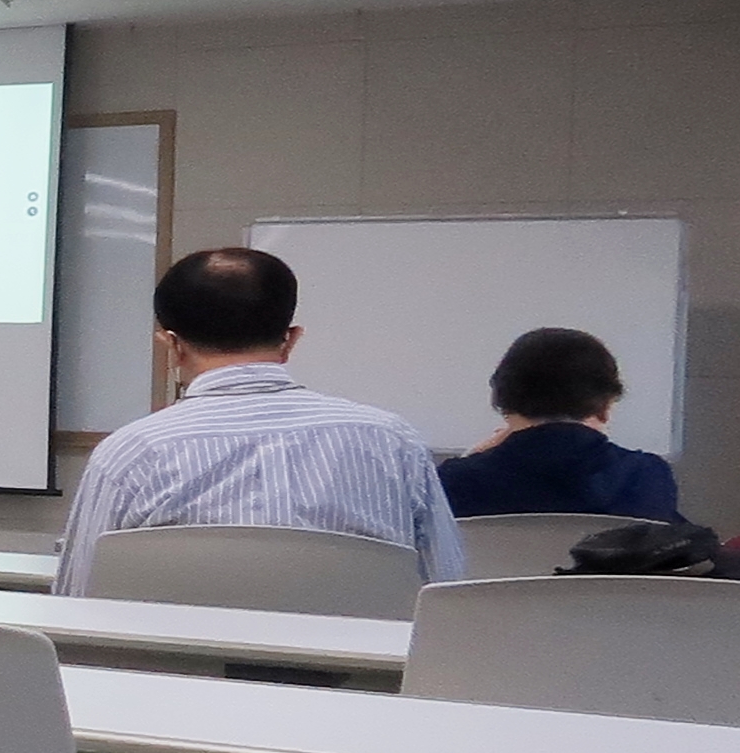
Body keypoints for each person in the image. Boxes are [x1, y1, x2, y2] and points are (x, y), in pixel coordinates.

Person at [55, 247, 464, 596]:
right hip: (364, 666)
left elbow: (78, 595)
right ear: (291, 339)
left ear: (172, 346)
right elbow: (445, 587)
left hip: (180, 665)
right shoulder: (393, 440)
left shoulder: (131, 453)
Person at [437, 327, 680, 521]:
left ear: (502, 399)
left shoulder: (456, 481)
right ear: (605, 405)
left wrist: (467, 461)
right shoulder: (645, 476)